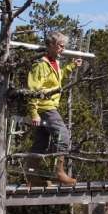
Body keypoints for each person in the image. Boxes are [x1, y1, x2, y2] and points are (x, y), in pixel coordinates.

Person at [26, 31, 82, 186]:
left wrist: (71, 66)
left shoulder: (54, 62)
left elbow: (56, 79)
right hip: (45, 107)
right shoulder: (40, 65)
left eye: (64, 46)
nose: (63, 48)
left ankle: (32, 176)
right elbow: (33, 89)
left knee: (41, 142)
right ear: (50, 45)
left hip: (48, 106)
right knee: (63, 136)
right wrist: (34, 113)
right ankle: (59, 172)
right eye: (60, 45)